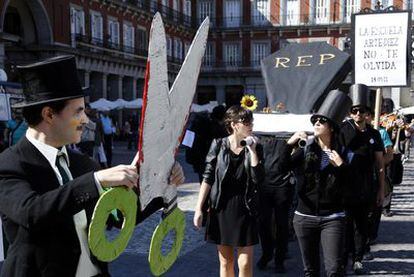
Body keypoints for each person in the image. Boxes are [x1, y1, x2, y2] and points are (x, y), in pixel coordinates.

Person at [0, 55, 185, 276]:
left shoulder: (83, 163)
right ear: (49, 114)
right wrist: (96, 181)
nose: (86, 120)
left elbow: (117, 217)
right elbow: (32, 212)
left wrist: (160, 184)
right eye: (78, 111)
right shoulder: (9, 163)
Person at [193, 105, 264, 277]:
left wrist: (253, 151)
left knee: (245, 263)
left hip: (245, 207)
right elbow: (208, 177)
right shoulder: (218, 145)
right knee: (226, 262)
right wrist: (198, 208)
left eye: (251, 121)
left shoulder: (256, 146)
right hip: (221, 207)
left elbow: (258, 179)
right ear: (233, 124)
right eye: (246, 121)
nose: (250, 125)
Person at [288, 90, 352, 277]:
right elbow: (281, 167)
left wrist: (341, 166)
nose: (316, 123)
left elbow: (351, 185)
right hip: (304, 217)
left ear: (331, 127)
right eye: (315, 121)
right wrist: (289, 145)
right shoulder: (306, 149)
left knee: (334, 270)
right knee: (311, 271)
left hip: (333, 218)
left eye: (321, 121)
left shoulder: (344, 153)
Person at [340, 84, 385, 275]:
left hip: (366, 186)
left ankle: (358, 258)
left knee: (361, 225)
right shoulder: (342, 130)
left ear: (367, 113)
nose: (358, 114)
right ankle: (343, 258)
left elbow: (380, 164)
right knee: (344, 224)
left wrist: (382, 190)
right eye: (354, 111)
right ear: (351, 113)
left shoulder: (374, 134)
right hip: (344, 186)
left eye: (362, 111)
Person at [256, 134, 294, 273]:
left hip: (281, 186)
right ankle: (267, 254)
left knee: (281, 224)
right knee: (264, 223)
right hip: (264, 185)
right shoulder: (260, 136)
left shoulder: (289, 136)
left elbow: (291, 161)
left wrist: (290, 144)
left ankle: (279, 258)